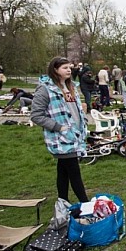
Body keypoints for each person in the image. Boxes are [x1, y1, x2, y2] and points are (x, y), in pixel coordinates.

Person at [30, 57, 89, 203]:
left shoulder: (71, 87)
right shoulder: (45, 89)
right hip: (61, 138)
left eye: (69, 67)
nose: (69, 70)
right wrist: (59, 127)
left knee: (63, 170)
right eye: (65, 68)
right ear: (55, 70)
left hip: (75, 135)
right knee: (74, 172)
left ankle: (62, 201)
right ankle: (85, 203)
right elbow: (36, 115)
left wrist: (83, 120)